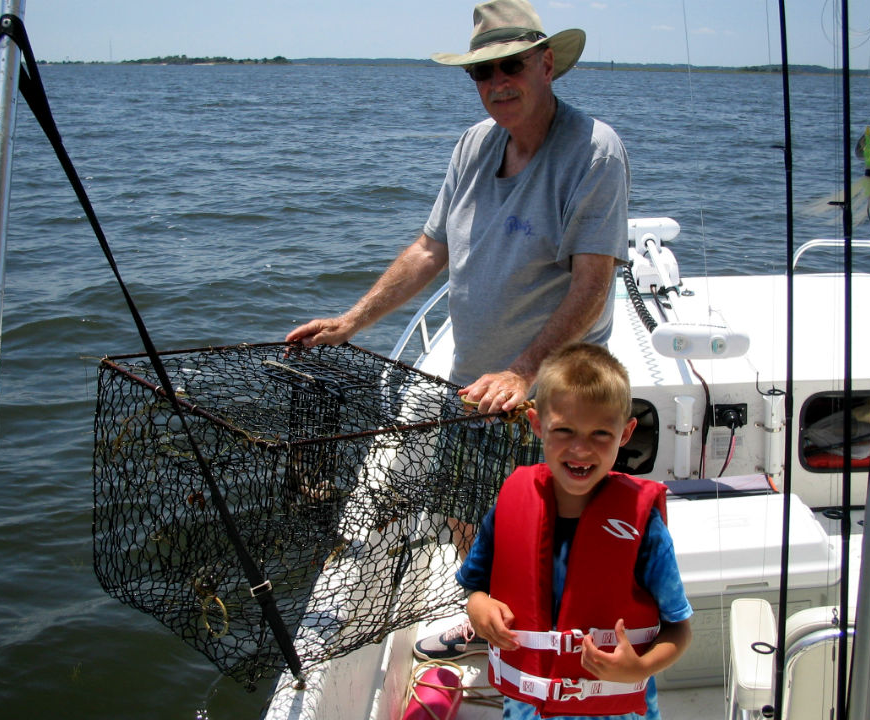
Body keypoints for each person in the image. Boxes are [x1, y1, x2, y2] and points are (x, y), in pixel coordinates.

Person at [286, 0, 630, 418]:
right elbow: (430, 250)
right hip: (471, 391)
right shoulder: (474, 143)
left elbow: (592, 288)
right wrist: (350, 322)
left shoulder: (595, 151)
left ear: (547, 64)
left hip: (553, 408)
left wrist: (521, 374)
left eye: (512, 65)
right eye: (482, 71)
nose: (498, 82)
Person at [447, 343, 693, 719]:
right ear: (537, 426)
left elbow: (679, 630)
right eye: (564, 430)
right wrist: (477, 606)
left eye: (600, 434)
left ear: (625, 433)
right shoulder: (511, 503)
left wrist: (641, 668)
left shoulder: (645, 528)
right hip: (528, 704)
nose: (581, 450)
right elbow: (476, 585)